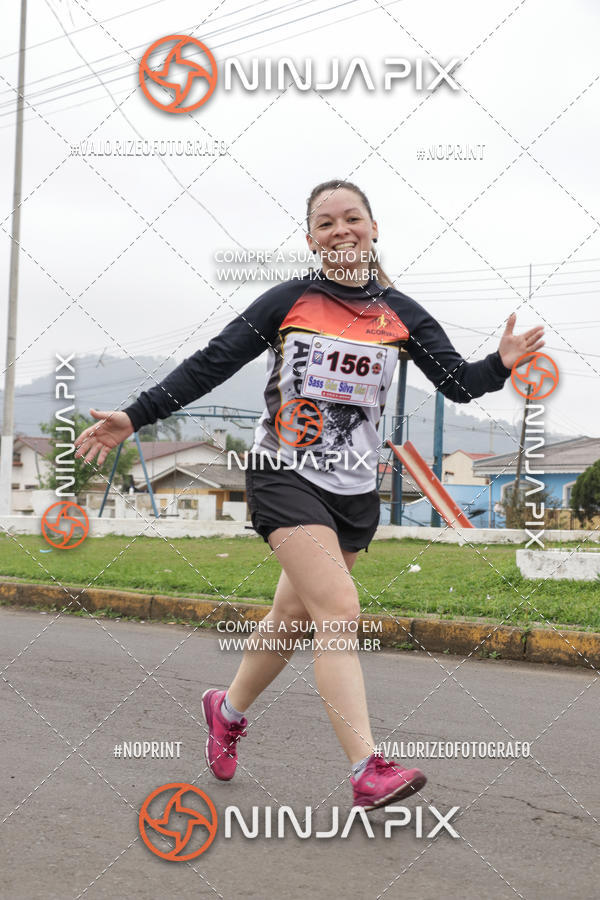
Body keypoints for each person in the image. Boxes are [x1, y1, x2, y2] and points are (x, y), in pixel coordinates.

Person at [74, 179, 544, 811]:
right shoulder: (288, 301)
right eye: (326, 224)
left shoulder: (399, 312)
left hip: (354, 491)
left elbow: (457, 383)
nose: (341, 230)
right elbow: (211, 364)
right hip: (283, 474)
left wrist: (502, 362)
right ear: (311, 241)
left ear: (374, 229)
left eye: (352, 218)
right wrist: (135, 416)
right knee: (339, 612)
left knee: (292, 620)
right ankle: (365, 767)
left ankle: (227, 710)